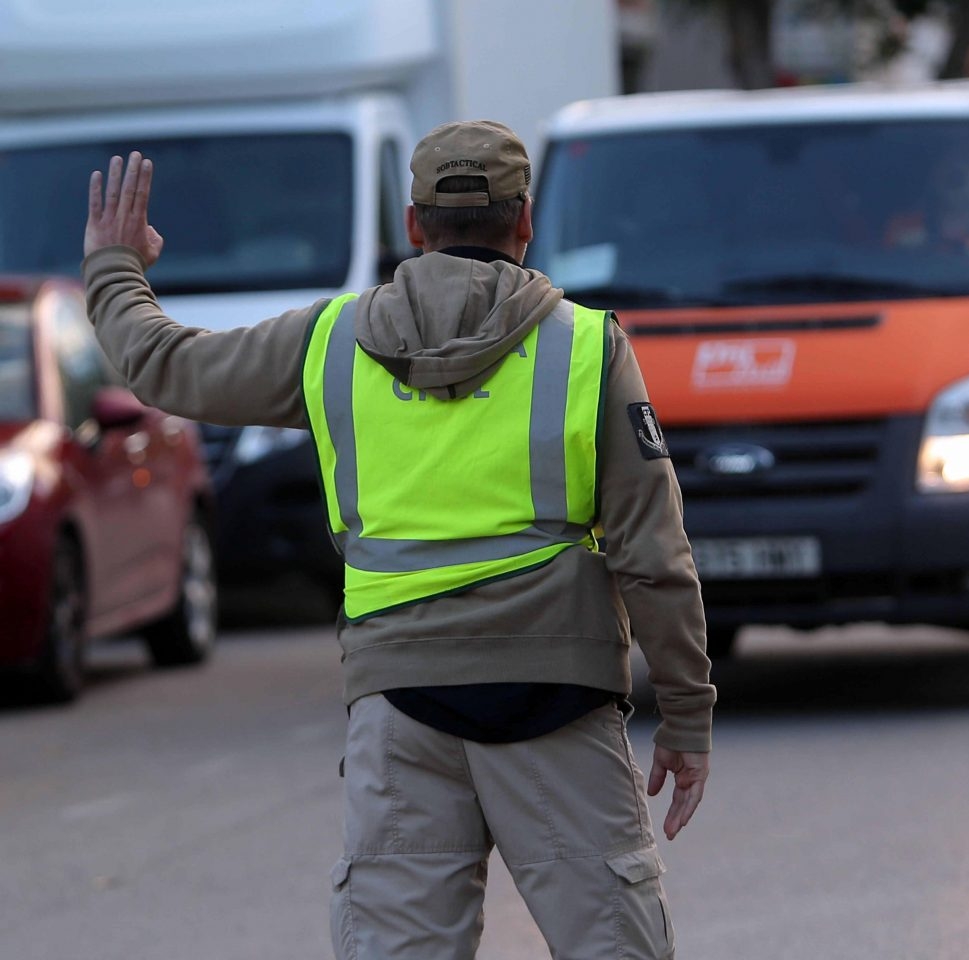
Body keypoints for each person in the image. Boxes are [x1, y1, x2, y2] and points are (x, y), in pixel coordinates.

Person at [82, 121, 715, 959]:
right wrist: (686, 711)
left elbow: (162, 364)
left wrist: (114, 268)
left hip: (400, 708)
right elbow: (653, 551)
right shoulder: (587, 348)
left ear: (414, 225)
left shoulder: (331, 343)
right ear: (524, 221)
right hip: (555, 695)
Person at [883, 143, 969, 261]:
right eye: (949, 163)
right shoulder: (902, 227)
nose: (959, 171)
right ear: (933, 176)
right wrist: (903, 254)